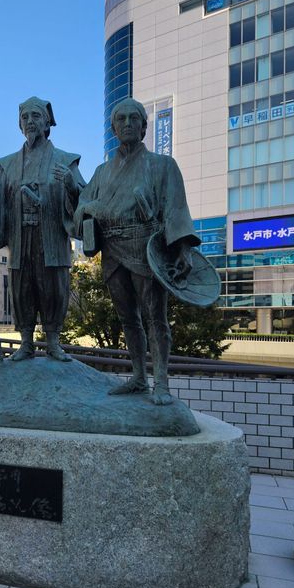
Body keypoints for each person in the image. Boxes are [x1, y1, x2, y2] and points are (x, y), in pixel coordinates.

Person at [75, 99, 200, 405]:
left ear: (145, 127)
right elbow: (79, 209)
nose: (128, 123)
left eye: (134, 118)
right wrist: (90, 207)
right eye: (121, 119)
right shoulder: (103, 172)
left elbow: (176, 209)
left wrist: (182, 248)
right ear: (114, 127)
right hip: (113, 251)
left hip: (147, 248)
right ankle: (138, 378)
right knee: (127, 318)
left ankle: (161, 383)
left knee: (155, 317)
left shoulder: (162, 165)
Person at [0, 97, 84, 361]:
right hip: (21, 236)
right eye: (25, 117)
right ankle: (26, 341)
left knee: (52, 286)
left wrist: (71, 186)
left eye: (36, 116)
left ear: (47, 122)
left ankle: (53, 341)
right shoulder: (9, 165)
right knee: (22, 286)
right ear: (20, 124)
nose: (30, 121)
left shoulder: (65, 161)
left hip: (50, 236)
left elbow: (85, 200)